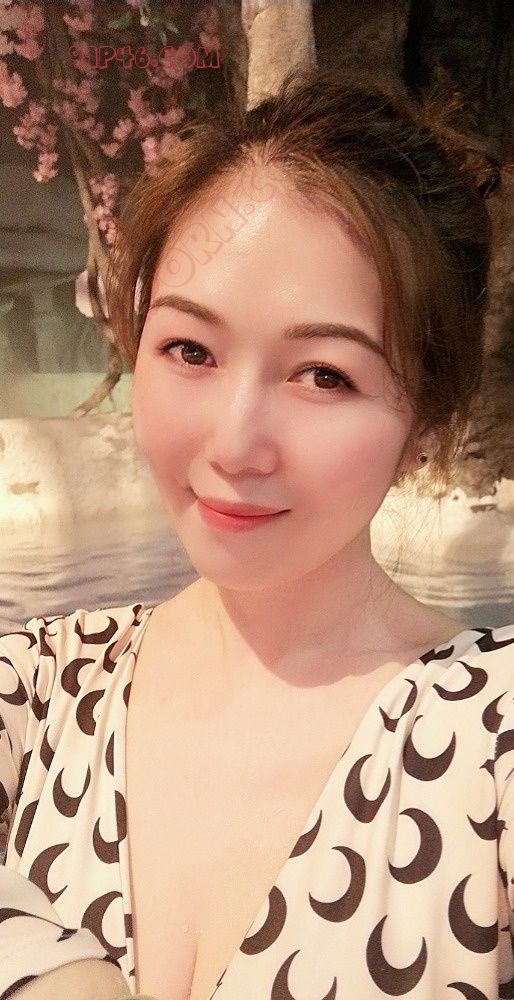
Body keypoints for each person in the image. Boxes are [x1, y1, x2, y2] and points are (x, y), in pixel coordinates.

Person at [1, 64, 512, 1000]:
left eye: (324, 375)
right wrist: (44, 963)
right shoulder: (38, 689)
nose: (235, 446)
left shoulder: (490, 735)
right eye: (189, 349)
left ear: (426, 422)